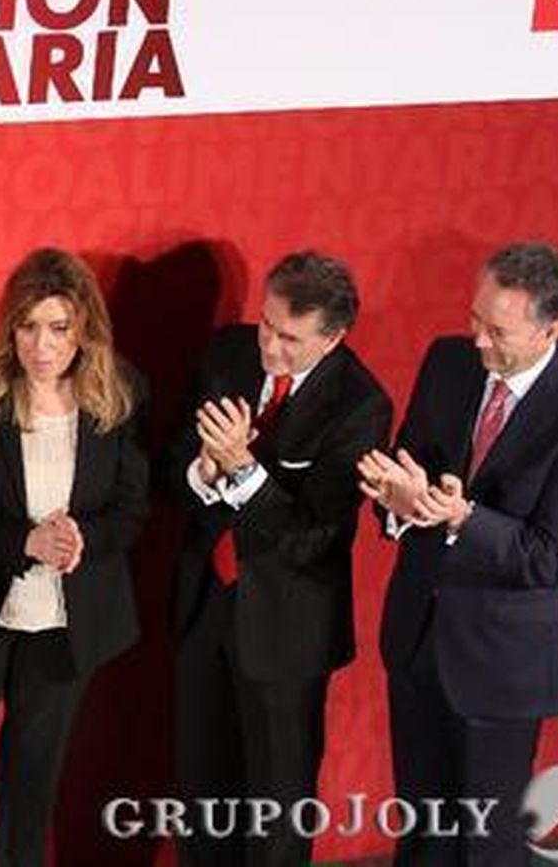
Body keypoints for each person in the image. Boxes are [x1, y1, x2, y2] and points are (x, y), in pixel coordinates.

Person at [359, 241, 558, 866]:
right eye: (475, 318)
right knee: (422, 832)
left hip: (501, 667)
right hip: (419, 639)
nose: (477, 339)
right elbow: (408, 473)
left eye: (497, 330)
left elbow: (551, 557)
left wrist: (464, 519)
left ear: (550, 329)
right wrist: (397, 503)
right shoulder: (448, 361)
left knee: (485, 843)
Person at [0, 248, 150, 867]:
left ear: (85, 328)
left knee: (30, 785)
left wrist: (82, 538)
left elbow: (131, 506)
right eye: (28, 326)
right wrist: (21, 541)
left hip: (67, 623)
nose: (42, 345)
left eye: (59, 328)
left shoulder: (119, 393)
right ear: (10, 326)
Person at [171, 251, 391, 867]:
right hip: (207, 608)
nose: (269, 344)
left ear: (334, 336)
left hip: (288, 632)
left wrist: (243, 469)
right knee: (200, 793)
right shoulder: (227, 355)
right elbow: (172, 465)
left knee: (276, 807)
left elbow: (309, 535)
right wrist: (204, 470)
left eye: (290, 337)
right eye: (266, 324)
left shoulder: (359, 406)